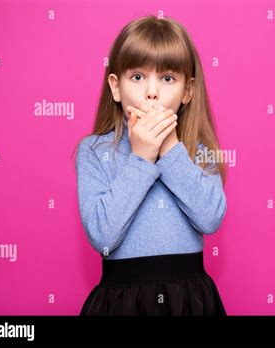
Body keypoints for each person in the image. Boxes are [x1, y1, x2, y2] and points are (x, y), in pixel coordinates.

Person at [73, 15, 227, 316]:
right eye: (138, 77)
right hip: (121, 303)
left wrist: (169, 148)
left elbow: (210, 218)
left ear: (187, 91)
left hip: (189, 301)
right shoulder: (93, 151)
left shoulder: (200, 151)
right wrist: (142, 158)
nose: (152, 92)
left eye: (167, 78)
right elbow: (102, 236)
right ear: (116, 88)